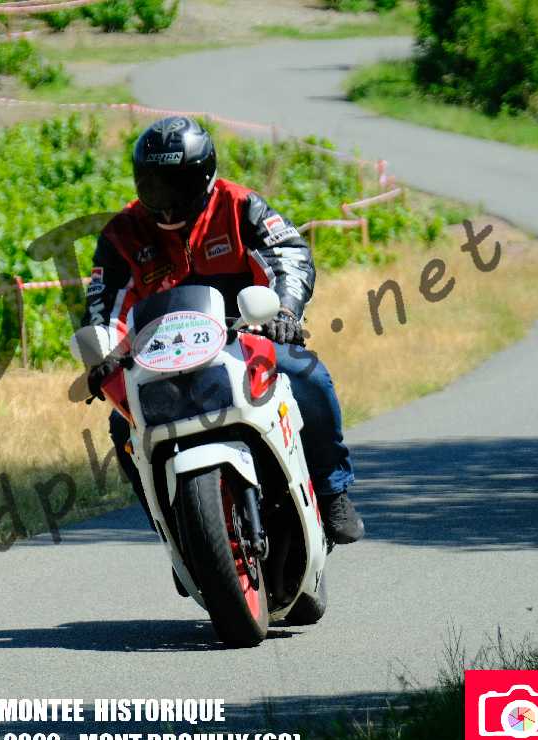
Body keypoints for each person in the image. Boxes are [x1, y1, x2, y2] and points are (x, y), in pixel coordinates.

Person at [84, 116, 364, 545]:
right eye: (156, 185)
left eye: (179, 183)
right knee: (123, 428)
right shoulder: (122, 233)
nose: (168, 199)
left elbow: (288, 255)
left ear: (205, 176)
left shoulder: (240, 205)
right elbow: (103, 303)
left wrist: (284, 312)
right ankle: (177, 533)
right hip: (162, 360)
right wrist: (104, 351)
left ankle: (332, 491)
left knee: (308, 375)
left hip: (247, 339)